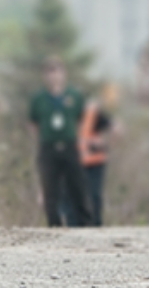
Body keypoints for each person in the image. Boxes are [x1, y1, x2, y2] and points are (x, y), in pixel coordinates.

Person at [29, 57, 93, 227]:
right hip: (48, 146)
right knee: (50, 188)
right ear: (44, 76)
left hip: (70, 145)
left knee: (77, 185)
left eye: (57, 72)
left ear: (63, 74)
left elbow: (80, 118)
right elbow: (33, 123)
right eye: (49, 73)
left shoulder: (74, 96)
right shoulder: (39, 99)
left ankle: (84, 222)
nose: (53, 77)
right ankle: (54, 223)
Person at [79, 82, 120, 226]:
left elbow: (116, 127)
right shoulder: (70, 113)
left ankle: (96, 224)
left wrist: (106, 144)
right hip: (77, 161)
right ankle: (81, 224)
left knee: (94, 195)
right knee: (78, 196)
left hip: (96, 160)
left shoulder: (93, 112)